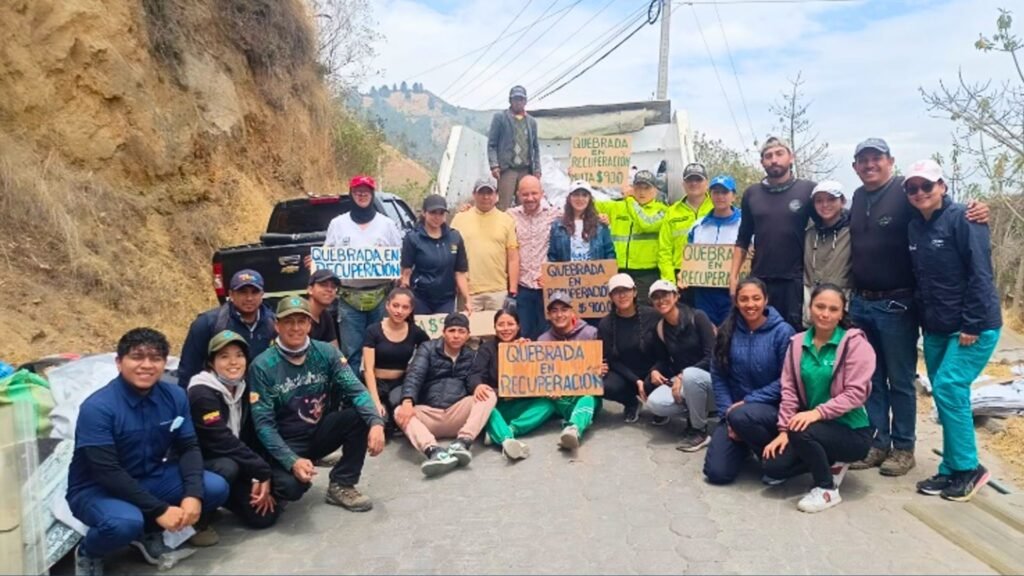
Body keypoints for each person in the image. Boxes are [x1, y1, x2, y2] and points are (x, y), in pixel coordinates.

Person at [846, 139, 988, 477]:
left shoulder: (905, 191)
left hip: (897, 303)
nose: (869, 165)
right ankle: (877, 443)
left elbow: (938, 210)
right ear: (855, 166)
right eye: (863, 160)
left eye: (876, 158)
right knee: (871, 379)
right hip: (862, 302)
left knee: (901, 380)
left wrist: (977, 210)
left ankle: (904, 447)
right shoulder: (857, 196)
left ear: (890, 161)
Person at [68, 328, 229, 576]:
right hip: (98, 488)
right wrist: (160, 510)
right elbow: (106, 471)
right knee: (125, 523)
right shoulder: (98, 408)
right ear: (119, 363)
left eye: (155, 358)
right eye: (137, 357)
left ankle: (148, 532)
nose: (146, 365)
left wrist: (193, 495)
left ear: (164, 363)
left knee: (215, 487)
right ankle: (90, 551)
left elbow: (188, 447)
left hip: (150, 476)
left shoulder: (175, 396)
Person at [904, 159, 1002, 502]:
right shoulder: (915, 227)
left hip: (972, 327)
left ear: (942, 187)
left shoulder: (965, 218)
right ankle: (950, 470)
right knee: (945, 397)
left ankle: (969, 469)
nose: (920, 193)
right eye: (913, 188)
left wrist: (972, 323)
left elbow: (980, 274)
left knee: (948, 386)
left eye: (926, 186)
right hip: (936, 328)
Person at [248, 297, 385, 512]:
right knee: (291, 489)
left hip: (319, 431)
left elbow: (355, 389)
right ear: (277, 325)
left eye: (301, 321)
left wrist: (376, 422)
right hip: (287, 441)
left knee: (359, 415)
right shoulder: (262, 366)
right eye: (288, 321)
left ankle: (342, 483)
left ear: (309, 324)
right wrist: (291, 460)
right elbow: (263, 425)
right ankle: (287, 474)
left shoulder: (327, 353)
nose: (295, 328)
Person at [761, 285, 875, 513]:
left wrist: (816, 413)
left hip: (851, 431)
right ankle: (832, 461)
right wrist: (783, 430)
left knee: (800, 430)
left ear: (842, 313)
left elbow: (856, 393)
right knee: (773, 467)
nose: (825, 313)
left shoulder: (855, 344)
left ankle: (827, 489)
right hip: (816, 428)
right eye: (820, 306)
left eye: (833, 309)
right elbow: (790, 390)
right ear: (810, 308)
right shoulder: (797, 343)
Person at [703, 278, 796, 485]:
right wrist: (728, 415)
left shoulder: (783, 332)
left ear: (766, 300)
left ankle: (775, 460)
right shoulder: (727, 331)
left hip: (771, 411)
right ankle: (745, 446)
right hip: (735, 412)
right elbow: (719, 376)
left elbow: (787, 380)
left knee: (743, 416)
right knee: (717, 474)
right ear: (736, 302)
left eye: (756, 298)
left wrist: (748, 402)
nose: (750, 304)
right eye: (744, 299)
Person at [187, 331, 279, 540]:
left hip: (233, 459)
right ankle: (197, 523)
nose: (233, 362)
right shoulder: (201, 392)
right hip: (202, 463)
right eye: (224, 356)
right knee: (227, 467)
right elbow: (220, 440)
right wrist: (261, 470)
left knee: (264, 517)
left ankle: (220, 500)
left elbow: (252, 434)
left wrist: (258, 475)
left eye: (239, 355)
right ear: (211, 362)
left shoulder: (243, 388)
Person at [395, 313, 496, 477]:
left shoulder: (471, 355)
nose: (456, 335)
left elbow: (473, 378)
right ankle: (433, 451)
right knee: (400, 410)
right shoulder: (427, 348)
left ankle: (463, 442)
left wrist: (477, 386)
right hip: (430, 415)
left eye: (461, 331)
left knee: (488, 393)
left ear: (468, 335)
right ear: (444, 332)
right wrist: (407, 401)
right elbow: (415, 375)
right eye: (452, 330)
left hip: (457, 414)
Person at [730, 138, 816, 329]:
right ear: (762, 162)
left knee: (793, 335)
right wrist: (733, 276)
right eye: (768, 156)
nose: (774, 160)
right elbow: (743, 238)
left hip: (795, 281)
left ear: (791, 157)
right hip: (760, 279)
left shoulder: (808, 190)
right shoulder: (752, 194)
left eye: (779, 154)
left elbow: (824, 229)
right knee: (761, 333)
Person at [324, 175, 404, 374]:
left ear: (372, 194)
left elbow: (400, 256)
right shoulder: (337, 224)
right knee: (351, 351)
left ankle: (379, 392)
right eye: (357, 191)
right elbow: (328, 257)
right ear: (351, 194)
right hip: (349, 298)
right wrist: (318, 262)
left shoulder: (387, 224)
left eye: (366, 191)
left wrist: (400, 273)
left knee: (381, 348)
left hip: (381, 297)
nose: (362, 195)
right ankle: (354, 396)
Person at [470, 309, 554, 460]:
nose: (506, 328)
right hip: (497, 402)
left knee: (547, 405)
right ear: (495, 328)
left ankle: (507, 430)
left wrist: (526, 353)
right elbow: (475, 374)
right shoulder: (486, 348)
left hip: (520, 402)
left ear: (518, 326)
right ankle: (507, 440)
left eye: (510, 324)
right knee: (486, 407)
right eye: (501, 325)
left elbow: (537, 378)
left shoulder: (527, 346)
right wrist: (478, 386)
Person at [644, 280, 717, 452]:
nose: (661, 300)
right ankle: (697, 411)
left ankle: (699, 430)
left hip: (711, 381)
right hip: (684, 382)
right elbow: (664, 360)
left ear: (676, 296)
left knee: (691, 375)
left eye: (665, 295)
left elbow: (712, 356)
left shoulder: (698, 317)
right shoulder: (660, 328)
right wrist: (655, 370)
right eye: (656, 297)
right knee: (655, 403)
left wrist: (682, 376)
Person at [178, 269, 276, 389]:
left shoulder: (274, 323)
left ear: (262, 295)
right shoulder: (207, 323)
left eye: (254, 292)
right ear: (231, 294)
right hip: (218, 395)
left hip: (261, 397)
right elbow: (188, 369)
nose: (249, 298)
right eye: (242, 292)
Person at [537, 291, 606, 450]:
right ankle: (508, 431)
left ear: (572, 312)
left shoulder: (590, 333)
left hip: (583, 394)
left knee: (589, 397)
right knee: (544, 403)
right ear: (548, 315)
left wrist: (601, 367)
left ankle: (573, 429)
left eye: (564, 309)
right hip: (557, 398)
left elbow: (604, 362)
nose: (559, 314)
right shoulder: (542, 341)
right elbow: (539, 373)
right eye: (554, 311)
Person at [362, 288, 430, 427]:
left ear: (411, 309)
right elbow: (368, 369)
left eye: (405, 307)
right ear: (387, 305)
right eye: (395, 305)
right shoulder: (373, 330)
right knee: (378, 421)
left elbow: (430, 350)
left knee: (399, 416)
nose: (399, 311)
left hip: (400, 384)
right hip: (376, 383)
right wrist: (375, 401)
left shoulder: (416, 332)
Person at [596, 170, 667, 302]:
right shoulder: (617, 206)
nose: (642, 192)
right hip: (618, 270)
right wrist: (576, 180)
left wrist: (629, 199)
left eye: (647, 188)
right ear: (633, 188)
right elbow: (586, 205)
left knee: (645, 313)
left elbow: (647, 224)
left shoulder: (662, 210)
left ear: (655, 191)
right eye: (638, 187)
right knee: (618, 312)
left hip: (647, 274)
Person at [598, 273, 660, 423]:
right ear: (611, 296)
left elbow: (664, 353)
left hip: (653, 371)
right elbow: (612, 360)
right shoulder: (605, 324)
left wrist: (653, 372)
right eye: (616, 292)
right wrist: (636, 380)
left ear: (634, 292)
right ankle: (631, 403)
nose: (622, 295)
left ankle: (660, 407)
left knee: (657, 382)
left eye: (625, 290)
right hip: (625, 374)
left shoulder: (653, 316)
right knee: (603, 384)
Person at [451, 178, 520, 312]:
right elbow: (451, 254)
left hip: (498, 292)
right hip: (468, 292)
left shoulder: (507, 221)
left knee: (500, 332)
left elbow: (513, 258)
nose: (486, 197)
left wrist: (512, 290)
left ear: (497, 196)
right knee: (468, 332)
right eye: (481, 193)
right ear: (474, 195)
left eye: (490, 193)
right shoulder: (459, 219)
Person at [509, 175, 561, 339]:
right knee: (524, 335)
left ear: (542, 193)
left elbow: (579, 214)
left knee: (548, 335)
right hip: (522, 286)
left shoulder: (554, 214)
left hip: (545, 286)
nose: (530, 198)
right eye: (525, 194)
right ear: (518, 194)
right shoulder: (510, 216)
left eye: (534, 193)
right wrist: (467, 208)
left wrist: (602, 217)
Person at [400, 194, 471, 315]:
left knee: (444, 332)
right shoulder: (412, 238)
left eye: (441, 213)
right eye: (433, 212)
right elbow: (406, 270)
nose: (437, 217)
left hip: (446, 299)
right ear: (424, 213)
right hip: (420, 298)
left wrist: (467, 298)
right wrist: (403, 287)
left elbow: (459, 272)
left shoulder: (455, 237)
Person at [685, 174, 742, 325]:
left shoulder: (746, 224)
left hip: (732, 291)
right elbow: (690, 257)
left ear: (733, 196)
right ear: (710, 195)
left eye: (725, 192)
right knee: (707, 334)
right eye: (716, 192)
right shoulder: (698, 225)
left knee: (730, 333)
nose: (720, 196)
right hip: (703, 292)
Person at [658, 162, 714, 306]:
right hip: (681, 279)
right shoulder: (672, 212)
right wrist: (670, 283)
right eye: (690, 180)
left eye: (698, 179)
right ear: (683, 184)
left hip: (713, 275)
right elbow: (664, 251)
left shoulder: (718, 206)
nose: (694, 183)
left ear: (707, 183)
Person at [804, 180, 852, 325]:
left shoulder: (853, 231)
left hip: (840, 294)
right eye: (819, 201)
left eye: (831, 199)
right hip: (810, 293)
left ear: (842, 201)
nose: (825, 205)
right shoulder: (809, 232)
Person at [488, 85, 541, 210]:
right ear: (510, 100)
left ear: (525, 101)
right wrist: (494, 165)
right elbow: (492, 144)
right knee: (504, 205)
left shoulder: (531, 122)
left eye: (521, 99)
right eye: (516, 99)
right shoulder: (500, 118)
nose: (518, 102)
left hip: (526, 170)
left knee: (526, 206)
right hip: (507, 169)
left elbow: (535, 148)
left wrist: (537, 169)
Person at [547, 180, 616, 263]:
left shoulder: (600, 225)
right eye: (576, 195)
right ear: (569, 198)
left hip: (595, 275)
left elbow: (609, 254)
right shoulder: (558, 226)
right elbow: (552, 257)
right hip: (567, 275)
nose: (580, 199)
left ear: (589, 199)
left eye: (584, 195)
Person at [307, 269, 341, 348]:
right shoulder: (300, 315)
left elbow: (335, 350)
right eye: (323, 285)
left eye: (333, 286)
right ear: (310, 289)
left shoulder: (326, 316)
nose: (329, 289)